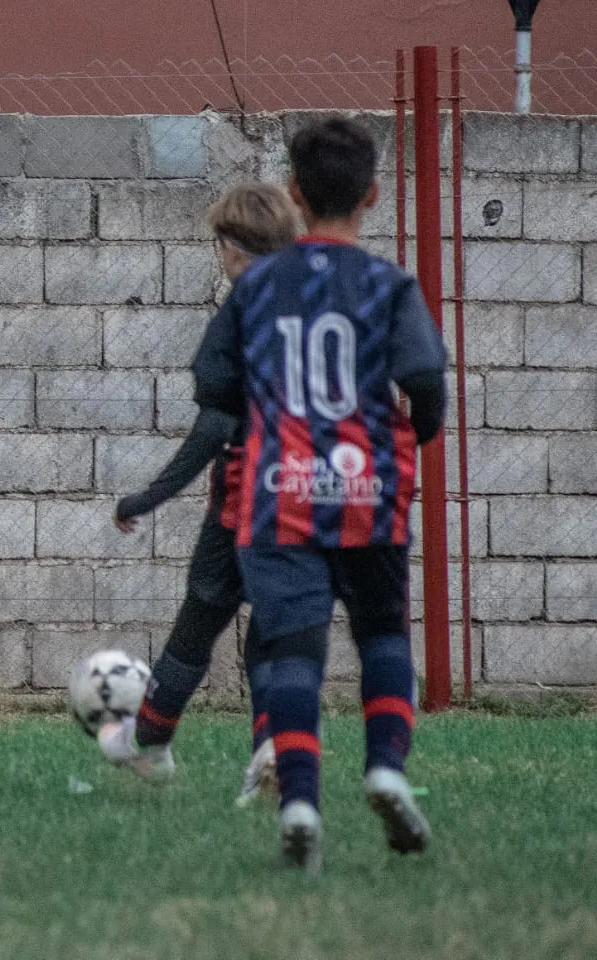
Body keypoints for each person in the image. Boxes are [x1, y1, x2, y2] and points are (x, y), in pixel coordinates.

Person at [192, 117, 447, 873]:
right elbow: (425, 379)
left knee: (294, 650)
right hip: (369, 486)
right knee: (383, 635)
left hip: (283, 490)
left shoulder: (259, 285)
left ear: (294, 194)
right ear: (372, 195)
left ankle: (300, 803)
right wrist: (416, 433)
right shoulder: (388, 285)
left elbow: (213, 380)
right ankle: (386, 769)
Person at [99, 183, 299, 805]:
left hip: (244, 501)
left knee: (199, 621)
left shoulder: (238, 315)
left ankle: (151, 746)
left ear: (232, 248)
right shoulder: (312, 305)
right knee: (273, 634)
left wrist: (147, 496)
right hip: (306, 498)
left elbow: (215, 425)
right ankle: (271, 749)